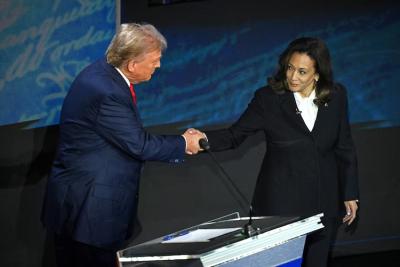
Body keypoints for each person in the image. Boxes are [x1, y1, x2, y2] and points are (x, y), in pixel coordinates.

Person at [41, 23, 204, 267]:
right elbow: (139, 144)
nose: (158, 66)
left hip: (79, 205)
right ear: (132, 65)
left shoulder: (101, 72)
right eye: (155, 60)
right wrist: (184, 143)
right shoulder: (108, 92)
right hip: (90, 212)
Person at [191, 37, 359, 267]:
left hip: (324, 202)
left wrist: (349, 193)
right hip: (281, 206)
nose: (293, 77)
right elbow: (235, 135)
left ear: (317, 74)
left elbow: (344, 146)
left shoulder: (337, 95)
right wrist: (202, 140)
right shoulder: (268, 99)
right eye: (290, 68)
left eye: (302, 71)